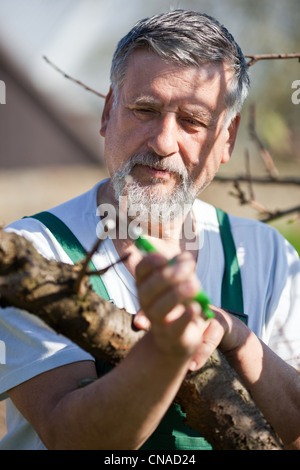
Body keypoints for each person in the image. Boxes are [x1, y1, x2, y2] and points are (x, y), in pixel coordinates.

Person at [0, 10, 299, 450]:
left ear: (227, 140)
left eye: (193, 121)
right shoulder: (33, 251)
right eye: (145, 110)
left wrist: (235, 337)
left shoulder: (263, 254)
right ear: (107, 113)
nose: (162, 141)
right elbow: (72, 438)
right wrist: (167, 352)